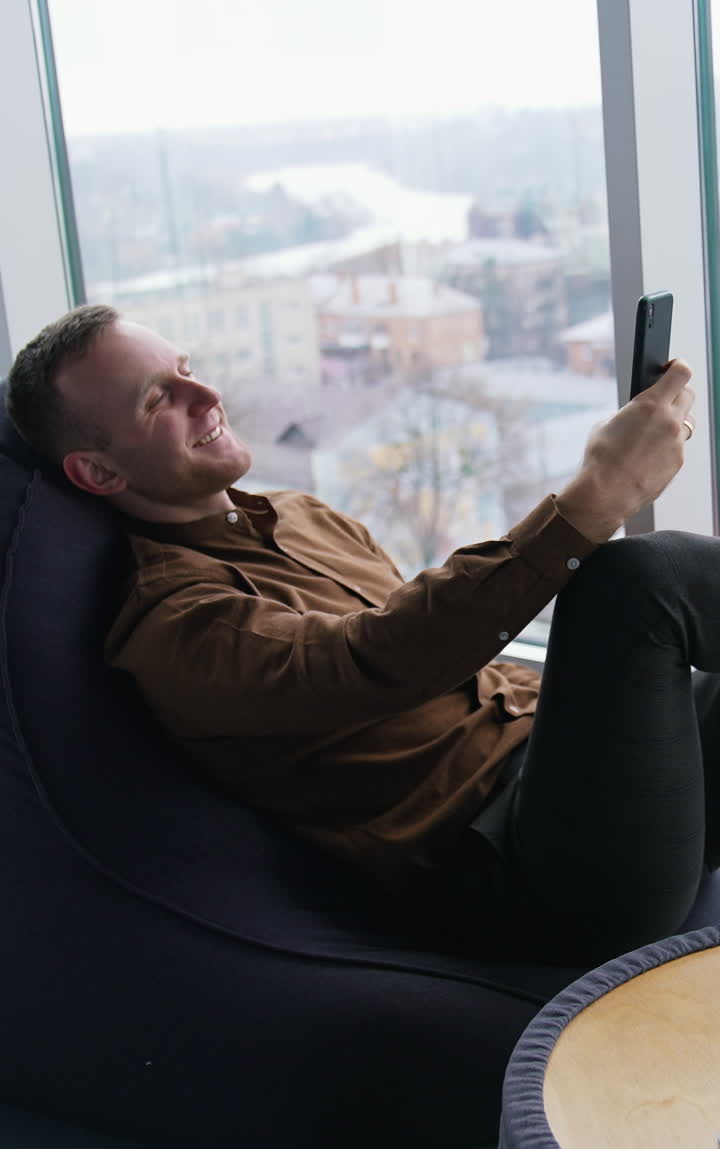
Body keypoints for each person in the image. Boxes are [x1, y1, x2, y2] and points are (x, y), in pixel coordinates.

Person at [5, 302, 713, 967]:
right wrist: (602, 489)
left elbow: (455, 656)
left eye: (186, 368)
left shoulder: (300, 513)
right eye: (158, 399)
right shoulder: (174, 626)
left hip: (581, 775)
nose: (206, 396)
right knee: (634, 585)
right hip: (542, 873)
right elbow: (377, 659)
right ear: (98, 471)